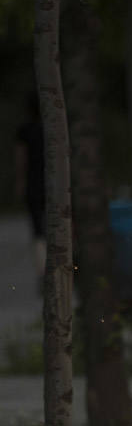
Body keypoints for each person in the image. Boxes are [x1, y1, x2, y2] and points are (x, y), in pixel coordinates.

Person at [13, 92, 46, 285]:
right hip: (50, 183)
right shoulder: (51, 128)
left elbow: (21, 159)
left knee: (37, 229)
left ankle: (42, 270)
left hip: (33, 183)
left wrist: (20, 182)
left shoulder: (24, 131)